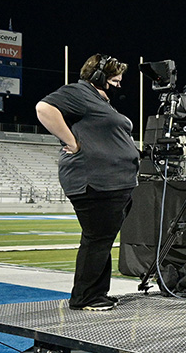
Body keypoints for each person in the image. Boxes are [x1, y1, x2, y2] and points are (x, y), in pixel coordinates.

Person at [36, 54, 140, 310]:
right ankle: (85, 297)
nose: (118, 84)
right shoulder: (79, 93)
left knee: (101, 239)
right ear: (97, 76)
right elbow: (44, 108)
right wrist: (71, 142)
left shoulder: (96, 99)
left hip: (112, 181)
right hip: (94, 180)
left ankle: (96, 293)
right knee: (96, 239)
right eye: (114, 79)